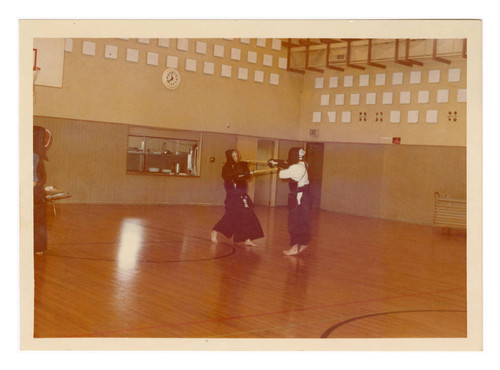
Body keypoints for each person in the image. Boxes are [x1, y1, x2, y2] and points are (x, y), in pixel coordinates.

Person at [211, 149, 264, 246]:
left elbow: (247, 177)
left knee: (248, 214)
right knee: (232, 215)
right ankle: (215, 230)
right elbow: (227, 177)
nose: (237, 155)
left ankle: (247, 239)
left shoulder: (241, 165)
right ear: (229, 156)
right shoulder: (226, 167)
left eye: (237, 154)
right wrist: (237, 172)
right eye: (234, 154)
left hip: (242, 193)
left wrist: (245, 170)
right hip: (233, 194)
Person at [269, 147, 311, 256]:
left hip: (298, 197)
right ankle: (303, 243)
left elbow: (282, 175)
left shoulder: (297, 168)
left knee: (294, 221)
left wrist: (277, 167)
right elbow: (289, 165)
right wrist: (277, 162)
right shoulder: (304, 164)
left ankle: (294, 247)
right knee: (302, 221)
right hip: (304, 197)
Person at [33, 125, 51, 255]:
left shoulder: (35, 155)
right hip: (34, 195)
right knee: (37, 221)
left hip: (36, 194)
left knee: (38, 221)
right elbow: (33, 181)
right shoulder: (33, 156)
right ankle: (37, 248)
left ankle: (38, 247)